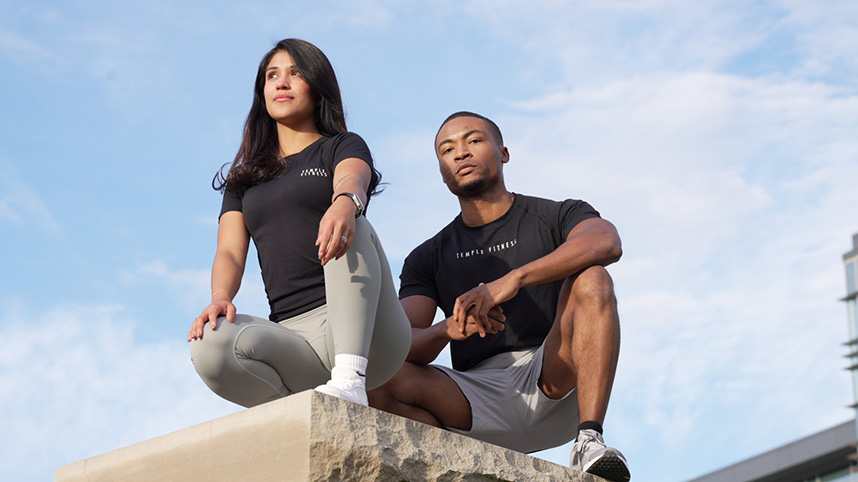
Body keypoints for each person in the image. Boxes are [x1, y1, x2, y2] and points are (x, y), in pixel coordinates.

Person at [368, 112, 631, 481]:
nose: (460, 153)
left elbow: (606, 242)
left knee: (593, 278)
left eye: (473, 141)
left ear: (503, 152)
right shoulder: (428, 255)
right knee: (375, 375)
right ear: (442, 172)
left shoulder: (555, 214)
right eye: (447, 149)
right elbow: (399, 343)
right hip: (473, 401)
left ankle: (588, 440)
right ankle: (442, 465)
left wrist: (514, 279)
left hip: (551, 379)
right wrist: (447, 330)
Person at [187, 38, 410, 408]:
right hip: (294, 339)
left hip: (370, 333)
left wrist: (344, 202)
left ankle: (351, 380)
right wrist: (220, 298)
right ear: (263, 92)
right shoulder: (244, 180)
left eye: (295, 73)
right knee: (210, 344)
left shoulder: (341, 145)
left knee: (347, 222)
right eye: (272, 75)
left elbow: (353, 180)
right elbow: (228, 251)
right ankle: (295, 415)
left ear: (317, 86)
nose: (282, 82)